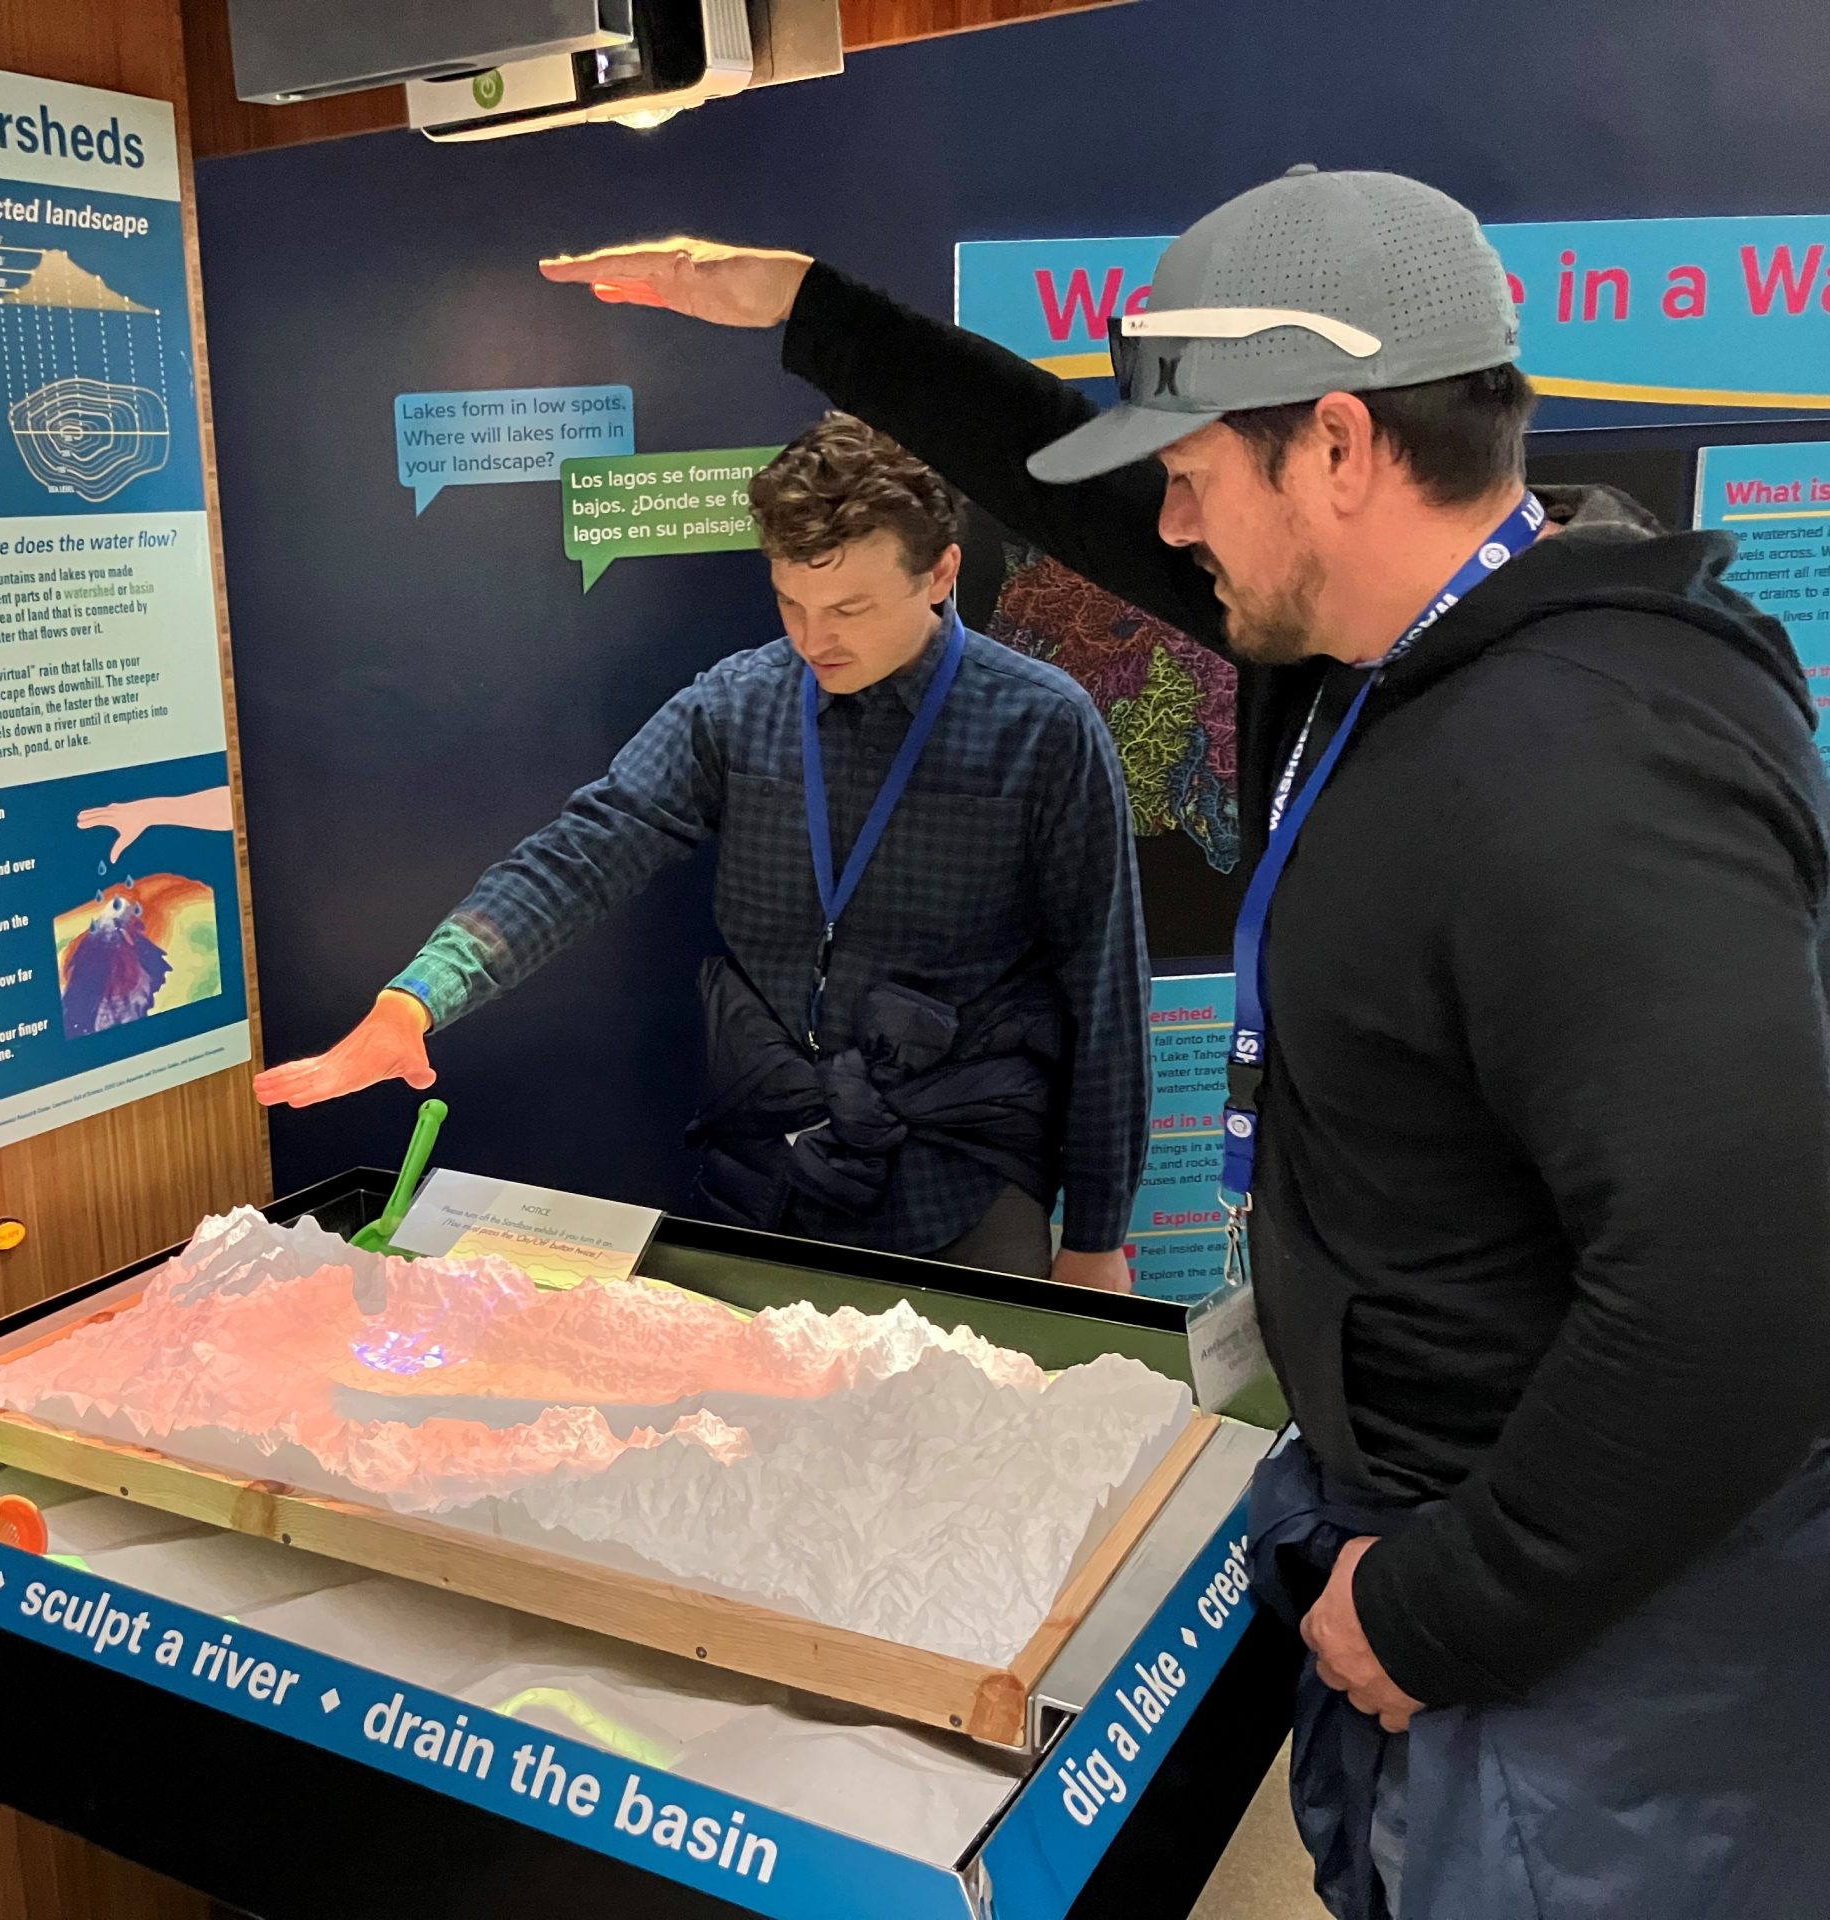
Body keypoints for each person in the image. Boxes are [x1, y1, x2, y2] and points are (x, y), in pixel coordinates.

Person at [536, 170, 1830, 1918]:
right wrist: (809, 315)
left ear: (1342, 448)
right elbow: (1060, 489)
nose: (1169, 524)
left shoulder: (1590, 765)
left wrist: (1451, 1604)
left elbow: (1751, 1288)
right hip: (1431, 1538)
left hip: (1589, 1640)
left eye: (1198, 475)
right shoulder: (1378, 655)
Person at [255, 415, 1150, 1287]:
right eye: (790, 602)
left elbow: (1103, 989)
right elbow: (587, 849)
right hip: (764, 1167)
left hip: (960, 1176)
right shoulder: (741, 703)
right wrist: (420, 995)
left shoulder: (1045, 726)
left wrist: (1099, 1233)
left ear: (941, 573)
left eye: (849, 607)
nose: (814, 639)